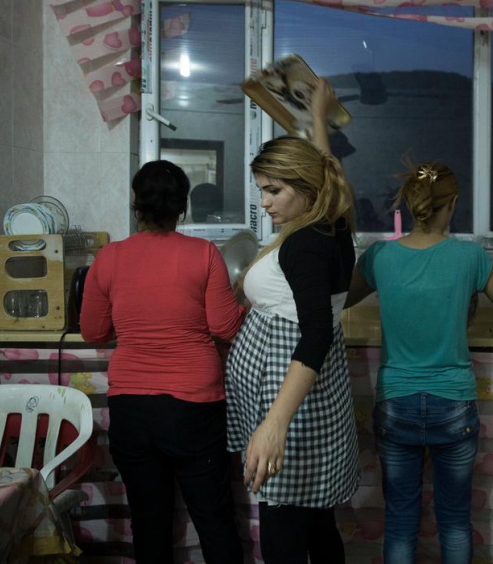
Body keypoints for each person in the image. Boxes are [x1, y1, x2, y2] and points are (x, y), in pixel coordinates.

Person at [346, 161, 493, 564]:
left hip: (396, 402)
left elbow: (343, 299)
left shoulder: (380, 256)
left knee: (401, 520)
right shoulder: (469, 257)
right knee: (456, 520)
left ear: (410, 203)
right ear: (453, 204)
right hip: (453, 403)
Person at [80, 160, 245, 564]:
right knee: (214, 519)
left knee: (149, 522)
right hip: (195, 406)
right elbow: (225, 326)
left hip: (132, 407)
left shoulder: (109, 257)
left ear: (137, 204)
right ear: (181, 206)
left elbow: (92, 331)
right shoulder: (203, 253)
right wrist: (245, 296)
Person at [225, 79, 359, 564]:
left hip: (291, 402)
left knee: (284, 530)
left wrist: (274, 424)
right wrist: (318, 118)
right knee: (316, 523)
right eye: (262, 190)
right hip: (299, 397)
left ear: (305, 187)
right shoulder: (331, 222)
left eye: (274, 190)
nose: (264, 202)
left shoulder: (305, 243)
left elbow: (317, 332)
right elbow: (333, 173)